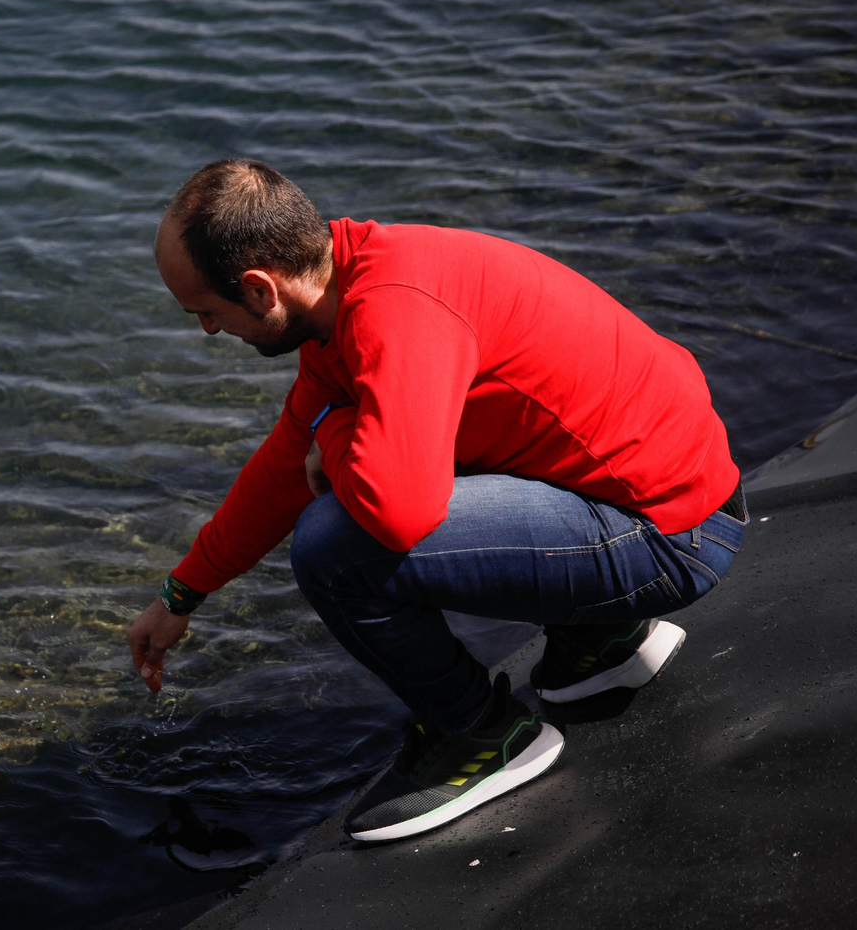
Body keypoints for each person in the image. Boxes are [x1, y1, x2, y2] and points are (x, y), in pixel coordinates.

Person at [127, 158, 747, 842]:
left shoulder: (395, 312)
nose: (208, 332)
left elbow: (397, 513)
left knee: (334, 547)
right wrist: (182, 594)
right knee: (394, 456)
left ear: (258, 288)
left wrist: (334, 432)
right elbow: (282, 466)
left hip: (673, 534)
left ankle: (481, 736)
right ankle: (598, 640)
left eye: (206, 314)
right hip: (662, 494)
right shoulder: (344, 287)